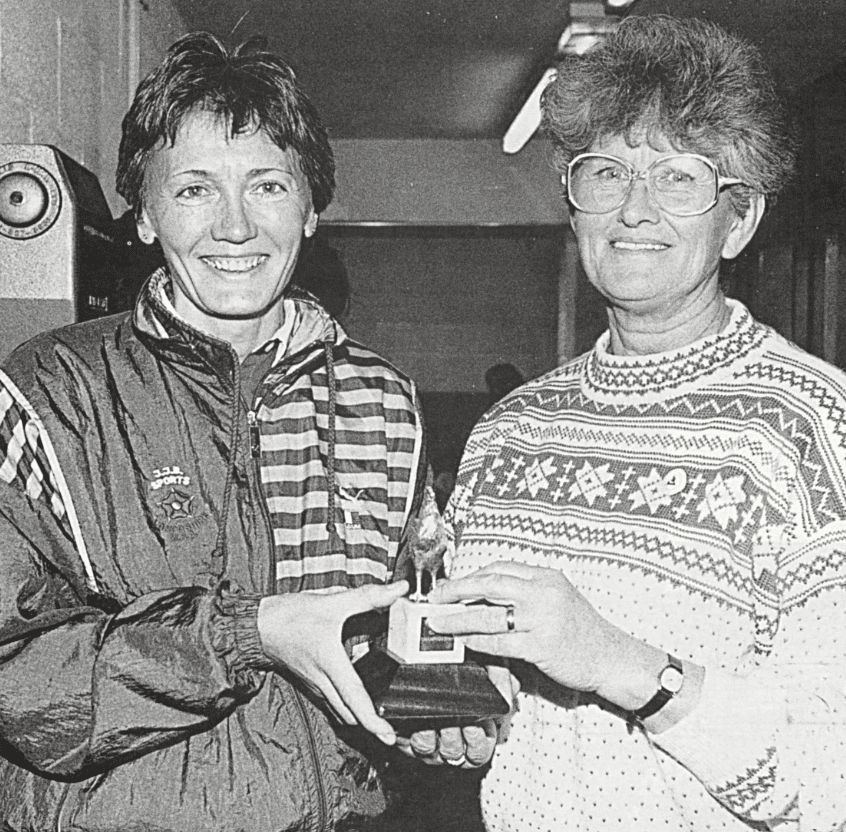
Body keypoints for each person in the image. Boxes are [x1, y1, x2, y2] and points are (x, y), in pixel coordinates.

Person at [0, 31, 444, 832]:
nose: (236, 227)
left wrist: (443, 711)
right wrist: (249, 633)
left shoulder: (384, 400)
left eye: (268, 185)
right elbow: (16, 678)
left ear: (311, 209)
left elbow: (402, 628)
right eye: (195, 189)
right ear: (142, 217)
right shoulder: (46, 393)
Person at [420, 15, 846, 831]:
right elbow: (489, 683)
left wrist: (622, 665)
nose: (634, 208)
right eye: (606, 172)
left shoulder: (816, 427)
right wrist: (469, 713)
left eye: (679, 178)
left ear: (741, 220)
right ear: (575, 205)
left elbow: (832, 773)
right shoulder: (511, 430)